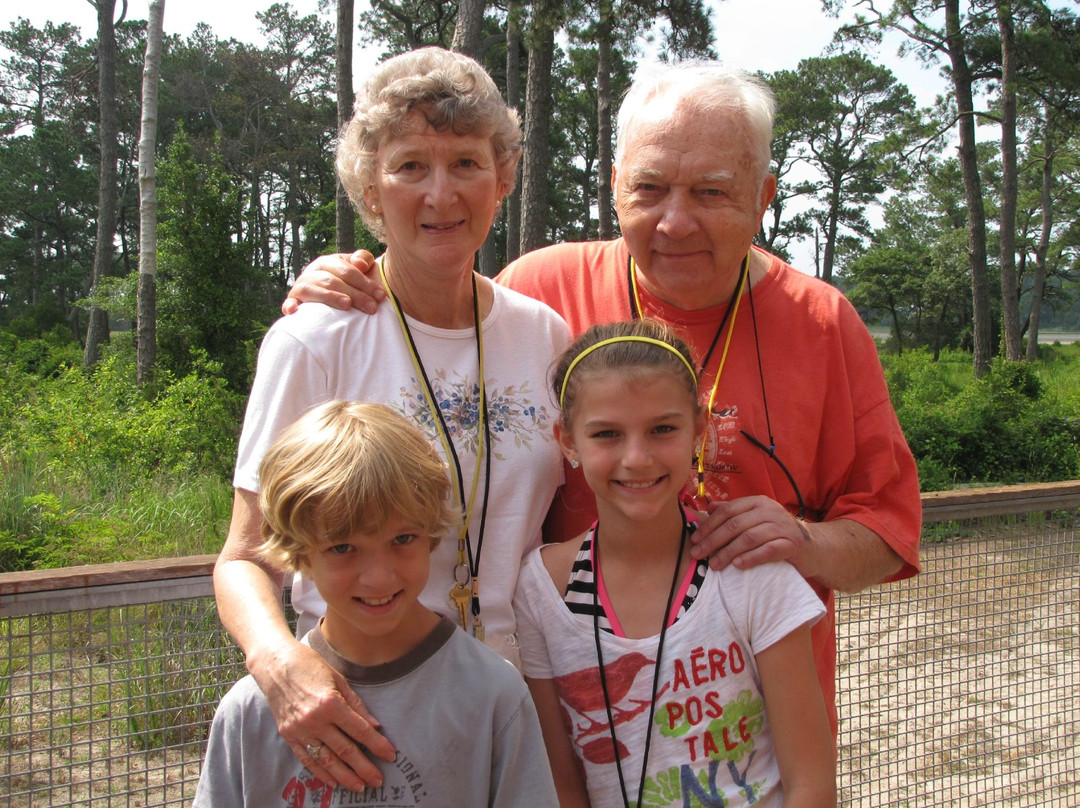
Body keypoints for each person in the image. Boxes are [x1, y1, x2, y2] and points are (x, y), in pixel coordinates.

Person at [285, 61, 923, 737]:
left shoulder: (822, 324)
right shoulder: (540, 295)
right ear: (615, 185)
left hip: (757, 742)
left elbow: (888, 536)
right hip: (565, 737)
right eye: (650, 188)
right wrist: (349, 278)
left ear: (763, 195)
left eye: (711, 191)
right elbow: (432, 318)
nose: (675, 222)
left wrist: (803, 543)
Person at [214, 47, 571, 792]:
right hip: (355, 702)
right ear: (370, 190)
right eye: (410, 165)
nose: (441, 192)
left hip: (512, 697)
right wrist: (280, 668)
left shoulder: (544, 336)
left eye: (467, 162)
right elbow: (246, 556)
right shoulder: (315, 339)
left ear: (502, 179)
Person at [514, 320, 835, 808]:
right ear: (567, 441)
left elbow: (810, 784)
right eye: (607, 434)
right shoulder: (541, 592)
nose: (637, 458)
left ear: (699, 431)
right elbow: (564, 784)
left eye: (662, 429)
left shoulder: (752, 573)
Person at [195, 401, 559, 807]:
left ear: (431, 533)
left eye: (402, 539)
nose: (379, 577)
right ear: (298, 552)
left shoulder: (493, 695)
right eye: (343, 547)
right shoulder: (252, 711)